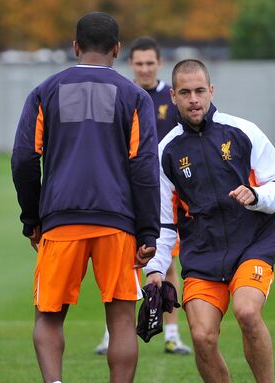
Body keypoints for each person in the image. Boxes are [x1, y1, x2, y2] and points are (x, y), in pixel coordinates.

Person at [11, 12, 160, 383]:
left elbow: (23, 158)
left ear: (75, 47)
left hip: (61, 219)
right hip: (117, 223)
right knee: (119, 319)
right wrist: (148, 230)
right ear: (118, 50)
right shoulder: (135, 96)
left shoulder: (45, 92)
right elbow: (144, 169)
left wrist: (31, 216)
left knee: (49, 316)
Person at [144, 59, 275, 383]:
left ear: (212, 91)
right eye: (185, 93)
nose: (194, 100)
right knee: (202, 336)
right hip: (203, 254)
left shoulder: (244, 132)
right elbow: (163, 222)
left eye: (200, 91)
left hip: (252, 243)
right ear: (173, 96)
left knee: (246, 311)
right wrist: (156, 271)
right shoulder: (166, 152)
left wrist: (256, 195)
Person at [94, 36, 192, 356]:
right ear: (130, 63)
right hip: (125, 190)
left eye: (150, 63)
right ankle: (112, 334)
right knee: (118, 260)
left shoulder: (171, 97)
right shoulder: (120, 94)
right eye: (139, 63)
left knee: (167, 261)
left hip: (164, 191)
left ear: (159, 63)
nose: (145, 68)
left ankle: (173, 334)